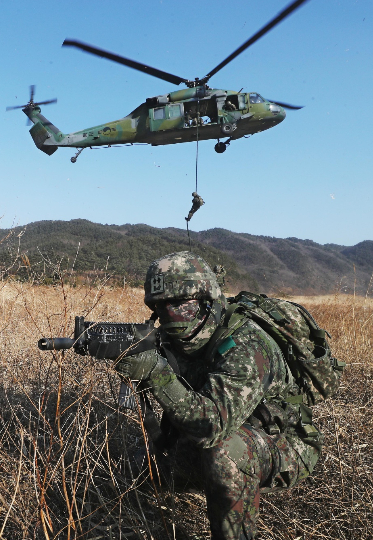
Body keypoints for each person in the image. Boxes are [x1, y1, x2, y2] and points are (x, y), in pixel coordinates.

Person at [116, 251, 322, 540]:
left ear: (207, 301)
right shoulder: (181, 337)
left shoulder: (247, 346)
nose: (171, 316)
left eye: (180, 305)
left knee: (225, 452)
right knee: (139, 467)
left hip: (282, 442)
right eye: (161, 308)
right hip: (227, 427)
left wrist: (157, 373)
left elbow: (212, 427)